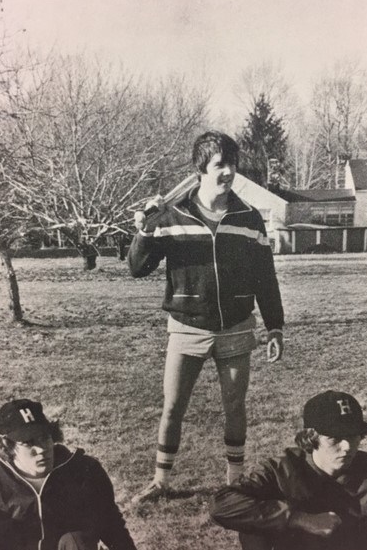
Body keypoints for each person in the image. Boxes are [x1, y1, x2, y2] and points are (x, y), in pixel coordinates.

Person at [128, 130, 284, 503]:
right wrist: (144, 231)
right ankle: (161, 482)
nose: (228, 172)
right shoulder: (171, 215)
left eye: (232, 164)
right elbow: (137, 268)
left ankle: (235, 480)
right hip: (186, 326)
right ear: (201, 170)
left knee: (235, 404)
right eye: (219, 165)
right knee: (173, 406)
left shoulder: (248, 218)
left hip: (236, 326)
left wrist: (275, 325)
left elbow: (266, 277)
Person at [210, 389, 367, 550]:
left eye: (353, 436)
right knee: (255, 521)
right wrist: (298, 519)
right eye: (335, 439)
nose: (347, 446)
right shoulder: (281, 470)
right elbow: (222, 504)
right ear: (312, 438)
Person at [0, 398, 138, 550]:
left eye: (44, 438)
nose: (41, 449)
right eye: (28, 443)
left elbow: (111, 525)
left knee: (76, 541)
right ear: (7, 445)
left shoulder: (84, 470)